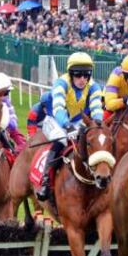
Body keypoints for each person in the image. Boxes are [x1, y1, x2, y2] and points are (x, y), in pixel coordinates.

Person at [35, 52, 105, 201]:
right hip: (55, 120)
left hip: (78, 121)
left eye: (86, 75)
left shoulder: (94, 86)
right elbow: (58, 108)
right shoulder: (61, 83)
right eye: (78, 75)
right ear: (71, 74)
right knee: (61, 140)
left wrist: (97, 124)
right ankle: (46, 180)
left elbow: (97, 108)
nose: (82, 79)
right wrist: (67, 126)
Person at [103, 54, 128, 122]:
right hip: (112, 107)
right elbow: (109, 105)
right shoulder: (116, 76)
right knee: (102, 122)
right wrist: (126, 100)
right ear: (124, 74)